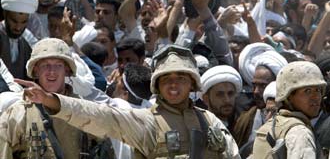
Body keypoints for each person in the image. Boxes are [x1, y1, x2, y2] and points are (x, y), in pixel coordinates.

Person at [21, 44, 241, 158]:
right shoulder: (146, 121)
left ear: (192, 84)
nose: (173, 85)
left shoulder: (209, 121)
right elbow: (98, 116)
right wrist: (54, 101)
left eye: (181, 79)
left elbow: (232, 155)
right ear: (157, 85)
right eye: (167, 79)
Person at [0, 38, 113, 158]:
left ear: (67, 70)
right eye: (45, 65)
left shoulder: (86, 112)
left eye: (58, 65)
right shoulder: (17, 114)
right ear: (36, 71)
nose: (52, 71)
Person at [253, 61, 326, 158]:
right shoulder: (300, 132)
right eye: (307, 91)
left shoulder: (271, 125)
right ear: (288, 96)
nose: (316, 97)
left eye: (318, 90)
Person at [0, 0, 38, 79]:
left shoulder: (26, 38)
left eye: (24, 22)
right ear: (5, 15)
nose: (18, 27)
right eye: (14, 21)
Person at [200, 65, 242, 132]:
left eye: (230, 93)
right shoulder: (200, 127)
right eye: (220, 95)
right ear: (206, 99)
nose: (227, 100)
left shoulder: (241, 126)